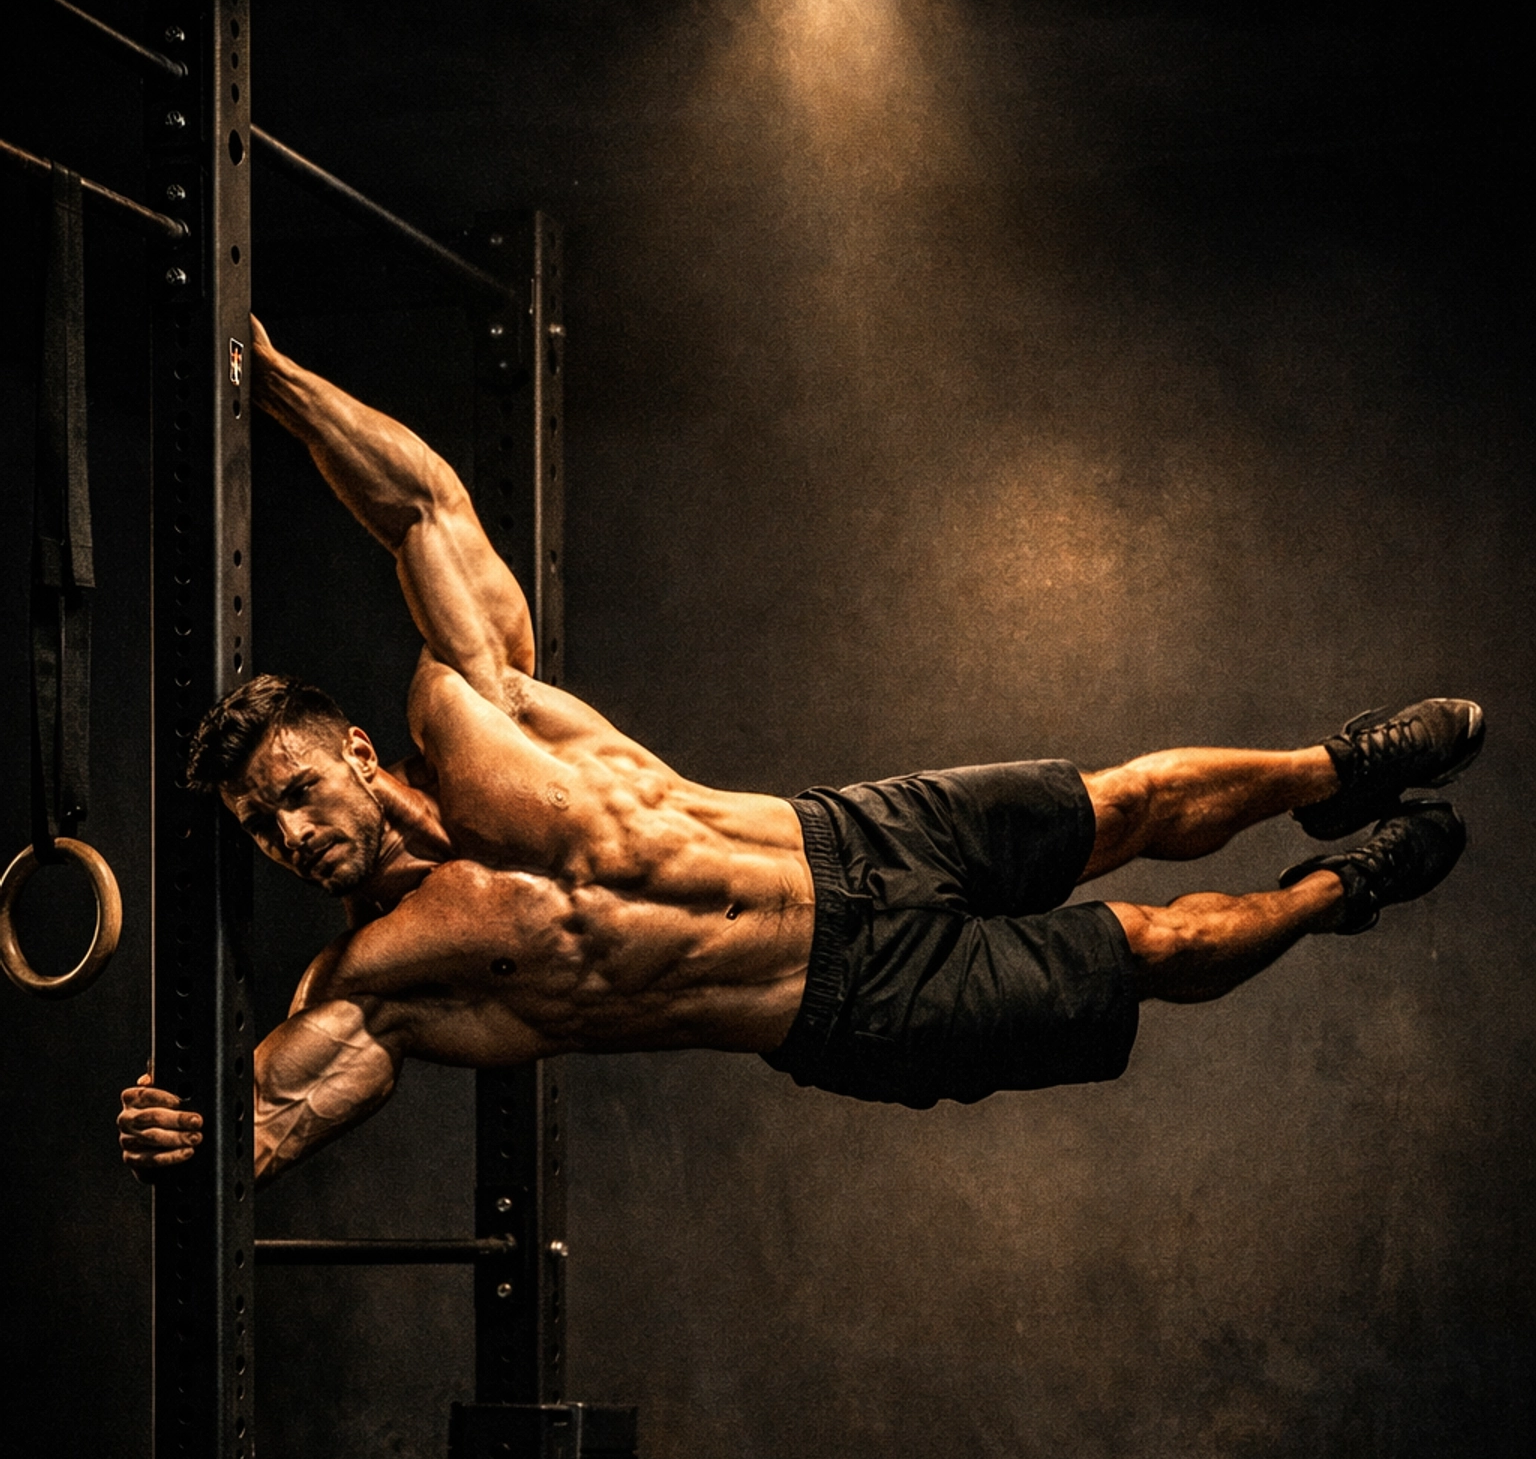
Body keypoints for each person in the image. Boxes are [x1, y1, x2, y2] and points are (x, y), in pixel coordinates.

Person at [117, 322, 1483, 1185]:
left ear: (356, 754)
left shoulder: (473, 706)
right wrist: (188, 1135)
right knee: (1157, 952)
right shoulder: (370, 980)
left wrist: (270, 374)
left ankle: (1331, 771)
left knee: (1126, 797)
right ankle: (1340, 893)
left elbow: (420, 504)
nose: (289, 835)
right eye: (258, 827)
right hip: (848, 1002)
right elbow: (272, 1122)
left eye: (291, 793)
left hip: (848, 836)